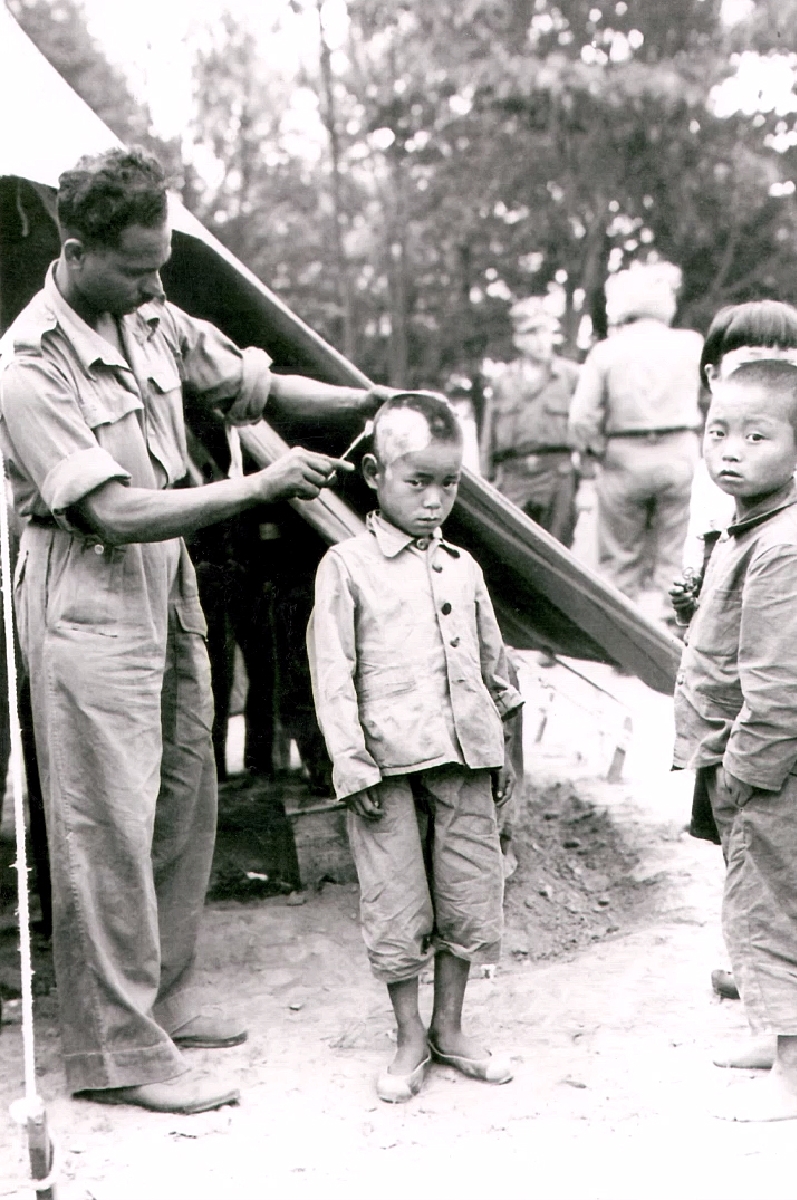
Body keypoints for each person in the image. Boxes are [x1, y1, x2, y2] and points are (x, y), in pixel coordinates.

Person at [0, 147, 384, 1114]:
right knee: (102, 824)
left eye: (162, 261)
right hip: (86, 585)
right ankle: (116, 1053)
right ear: (77, 250)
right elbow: (113, 512)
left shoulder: (151, 314)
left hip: (169, 578)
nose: (156, 283)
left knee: (183, 792)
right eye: (137, 265)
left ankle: (163, 1000)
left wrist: (371, 403)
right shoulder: (26, 365)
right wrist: (258, 485)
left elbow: (253, 388)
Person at [307, 392, 522, 1103]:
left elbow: (497, 668)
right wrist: (349, 761)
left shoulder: (461, 565)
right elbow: (331, 674)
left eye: (449, 483)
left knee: (467, 892)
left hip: (464, 759)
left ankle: (450, 1026)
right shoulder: (345, 566)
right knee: (395, 903)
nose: (434, 500)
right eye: (416, 482)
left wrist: (505, 749)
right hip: (383, 767)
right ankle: (406, 1035)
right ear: (371, 473)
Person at [673, 359, 797, 1122]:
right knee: (754, 902)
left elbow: (785, 690)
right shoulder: (743, 528)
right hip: (749, 763)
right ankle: (779, 1034)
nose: (729, 449)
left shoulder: (785, 546)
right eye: (716, 431)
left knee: (776, 908)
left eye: (756, 436)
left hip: (776, 773)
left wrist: (742, 773)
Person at [569, 262, 703, 619]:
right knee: (675, 553)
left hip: (623, 456)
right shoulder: (691, 345)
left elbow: (581, 418)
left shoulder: (607, 351)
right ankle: (673, 631)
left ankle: (622, 637)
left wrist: (598, 451)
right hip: (680, 451)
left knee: (619, 557)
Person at [682, 299, 797, 576]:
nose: (768, 380)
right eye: (751, 366)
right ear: (715, 377)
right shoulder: (716, 459)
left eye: (786, 366)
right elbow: (701, 548)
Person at [480, 297, 580, 546]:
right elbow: (488, 435)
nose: (540, 340)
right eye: (532, 332)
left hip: (557, 475)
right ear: (518, 339)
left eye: (546, 331)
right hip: (514, 477)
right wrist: (487, 477)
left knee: (558, 552)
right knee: (511, 548)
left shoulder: (570, 376)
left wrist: (587, 478)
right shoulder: (502, 381)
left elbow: (586, 426)